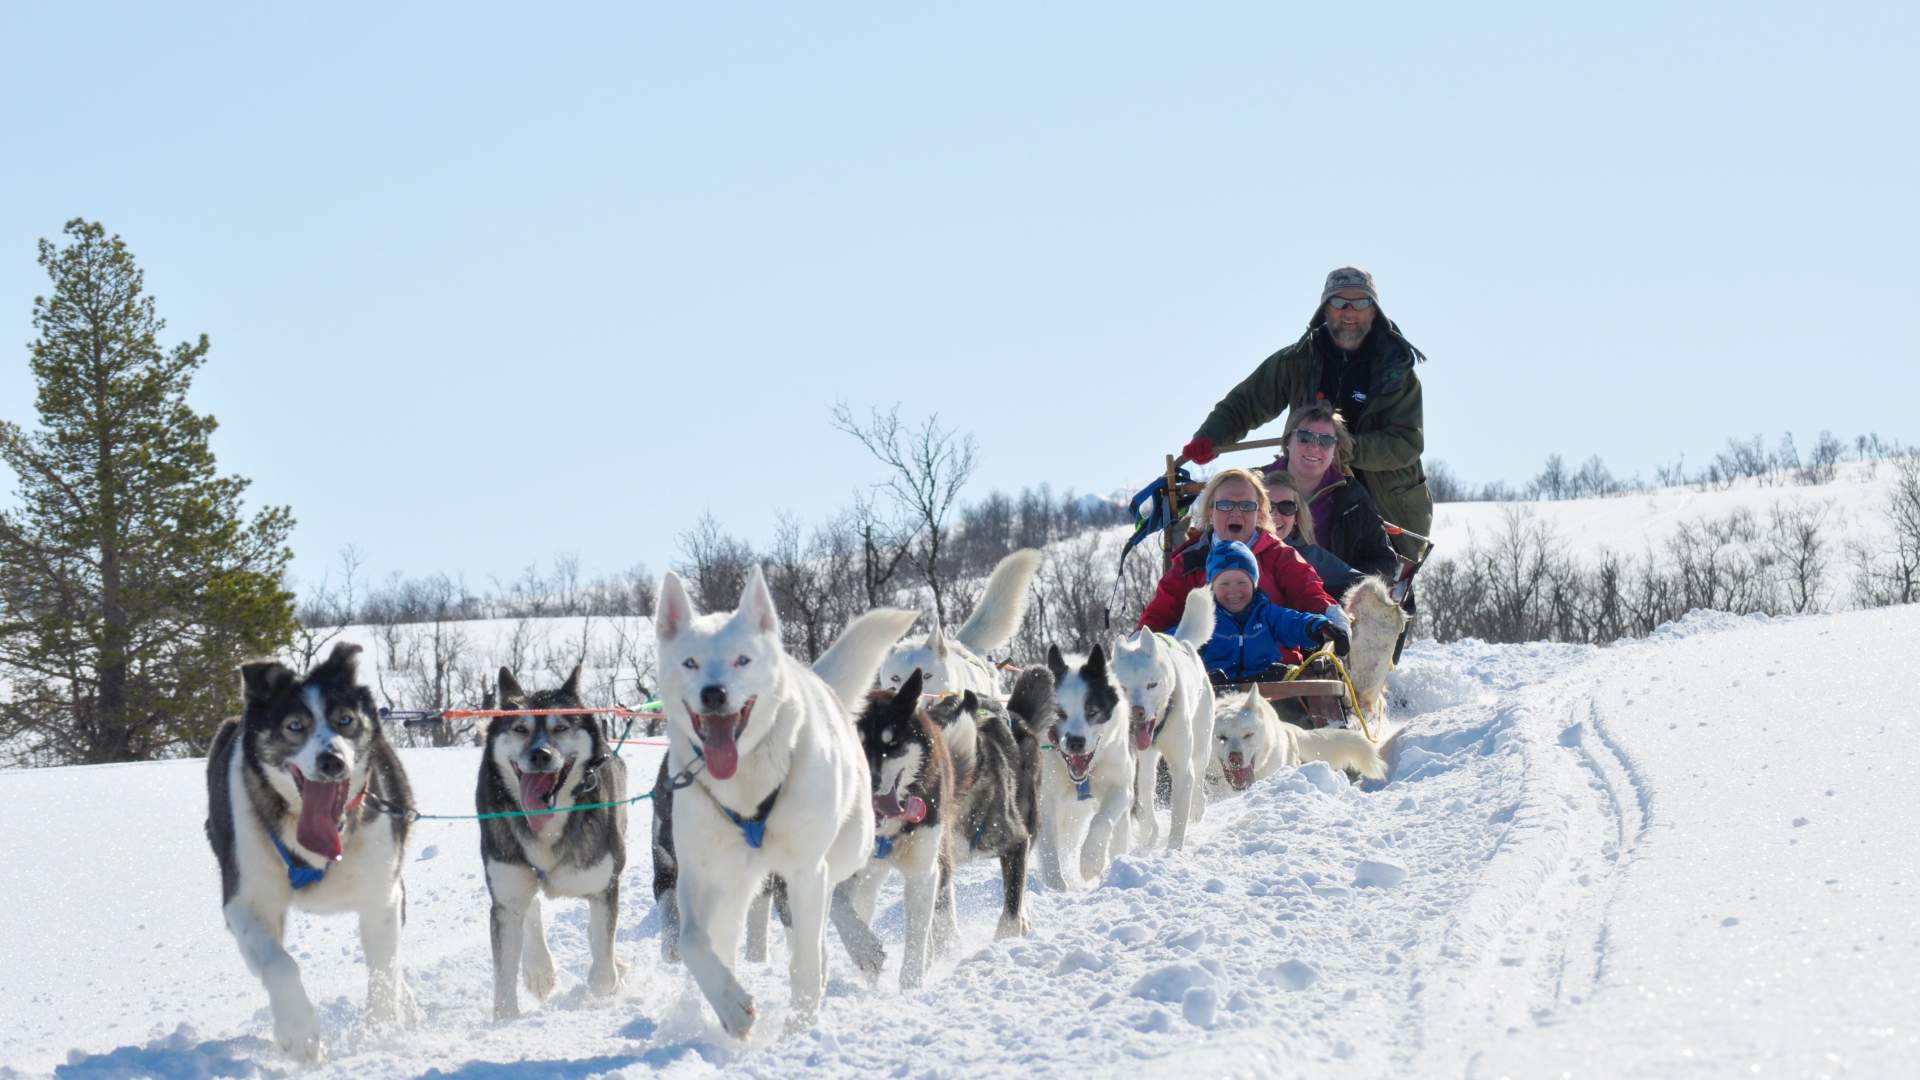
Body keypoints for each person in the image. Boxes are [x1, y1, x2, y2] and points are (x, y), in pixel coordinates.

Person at [1179, 266, 1431, 563]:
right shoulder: (1297, 360)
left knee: (1378, 587)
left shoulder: (1397, 372)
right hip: (1306, 497)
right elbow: (1246, 402)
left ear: (1374, 311)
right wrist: (1210, 437)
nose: (1349, 311)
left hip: (1383, 506)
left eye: (1361, 303)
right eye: (1339, 302)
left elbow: (1405, 443)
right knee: (1283, 570)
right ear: (1325, 309)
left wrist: (1344, 448)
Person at [1137, 467, 1335, 636]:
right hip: (1209, 674)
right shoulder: (1191, 560)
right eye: (1225, 505)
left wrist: (1330, 617)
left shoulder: (1279, 555)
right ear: (1210, 512)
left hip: (1278, 671)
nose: (1236, 512)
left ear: (1259, 513)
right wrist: (1141, 642)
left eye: (1246, 505)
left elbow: (1309, 593)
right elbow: (1161, 614)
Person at [1266, 402, 1400, 588]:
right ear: (1288, 441)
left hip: (1328, 605)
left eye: (1325, 441)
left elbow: (1385, 562)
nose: (1314, 447)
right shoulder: (1255, 485)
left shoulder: (1352, 498)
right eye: (1304, 437)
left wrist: (1343, 586)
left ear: (1335, 449)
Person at [1199, 541, 1347, 684]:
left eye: (1242, 582)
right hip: (1219, 692)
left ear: (1254, 584)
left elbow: (1293, 622)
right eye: (1224, 584)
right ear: (1212, 587)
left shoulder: (1266, 614)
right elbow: (1182, 641)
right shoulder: (1204, 622)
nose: (1234, 590)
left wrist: (1320, 626)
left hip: (1268, 688)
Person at [1263, 470, 1365, 601]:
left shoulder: (1308, 556)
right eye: (1268, 507)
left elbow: (1360, 583)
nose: (1275, 515)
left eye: (1287, 507)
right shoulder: (1241, 550)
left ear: (1296, 517)